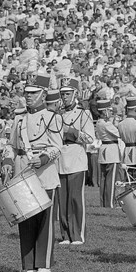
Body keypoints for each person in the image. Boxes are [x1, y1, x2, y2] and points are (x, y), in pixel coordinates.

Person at [0, 73, 64, 272]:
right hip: (22, 170)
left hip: (44, 173)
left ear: (43, 94)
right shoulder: (19, 119)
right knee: (25, 218)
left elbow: (57, 146)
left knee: (44, 220)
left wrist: (43, 158)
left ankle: (43, 265)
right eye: (27, 93)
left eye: (33, 93)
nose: (28, 96)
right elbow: (11, 145)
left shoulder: (54, 117)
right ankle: (28, 266)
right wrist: (8, 162)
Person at [57, 76, 94, 246]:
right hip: (60, 158)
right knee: (62, 200)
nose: (64, 97)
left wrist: (70, 131)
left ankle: (77, 234)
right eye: (62, 93)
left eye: (67, 93)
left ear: (75, 94)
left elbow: (89, 138)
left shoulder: (83, 113)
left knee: (75, 199)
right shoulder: (57, 115)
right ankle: (65, 234)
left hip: (76, 158)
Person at [94, 94, 121, 208]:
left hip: (104, 150)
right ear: (104, 112)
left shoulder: (99, 123)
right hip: (111, 151)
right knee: (110, 179)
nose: (110, 113)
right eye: (109, 111)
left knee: (104, 179)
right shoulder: (106, 123)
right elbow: (119, 133)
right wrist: (117, 123)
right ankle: (109, 203)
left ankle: (104, 203)